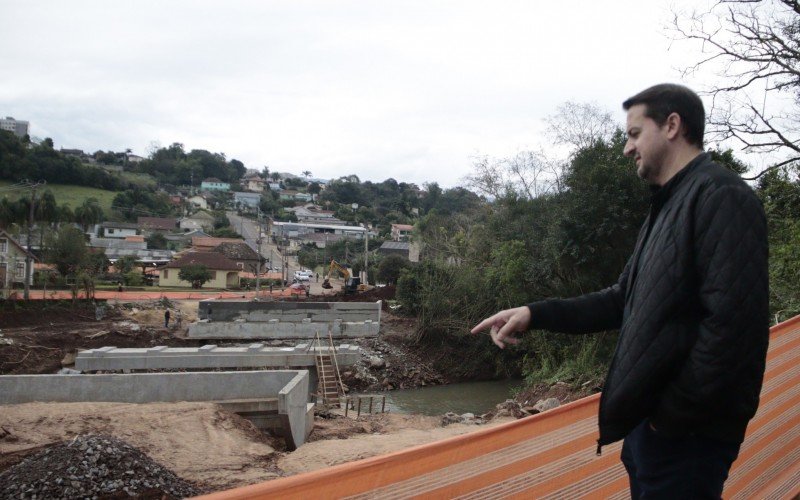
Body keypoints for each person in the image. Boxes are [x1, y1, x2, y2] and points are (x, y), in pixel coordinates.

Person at [472, 84, 768, 498]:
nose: (627, 148)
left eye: (633, 134)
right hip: (655, 430)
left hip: (686, 436)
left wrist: (670, 418)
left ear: (671, 126)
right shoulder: (665, 208)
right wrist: (535, 313)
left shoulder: (722, 197)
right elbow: (619, 300)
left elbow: (733, 330)